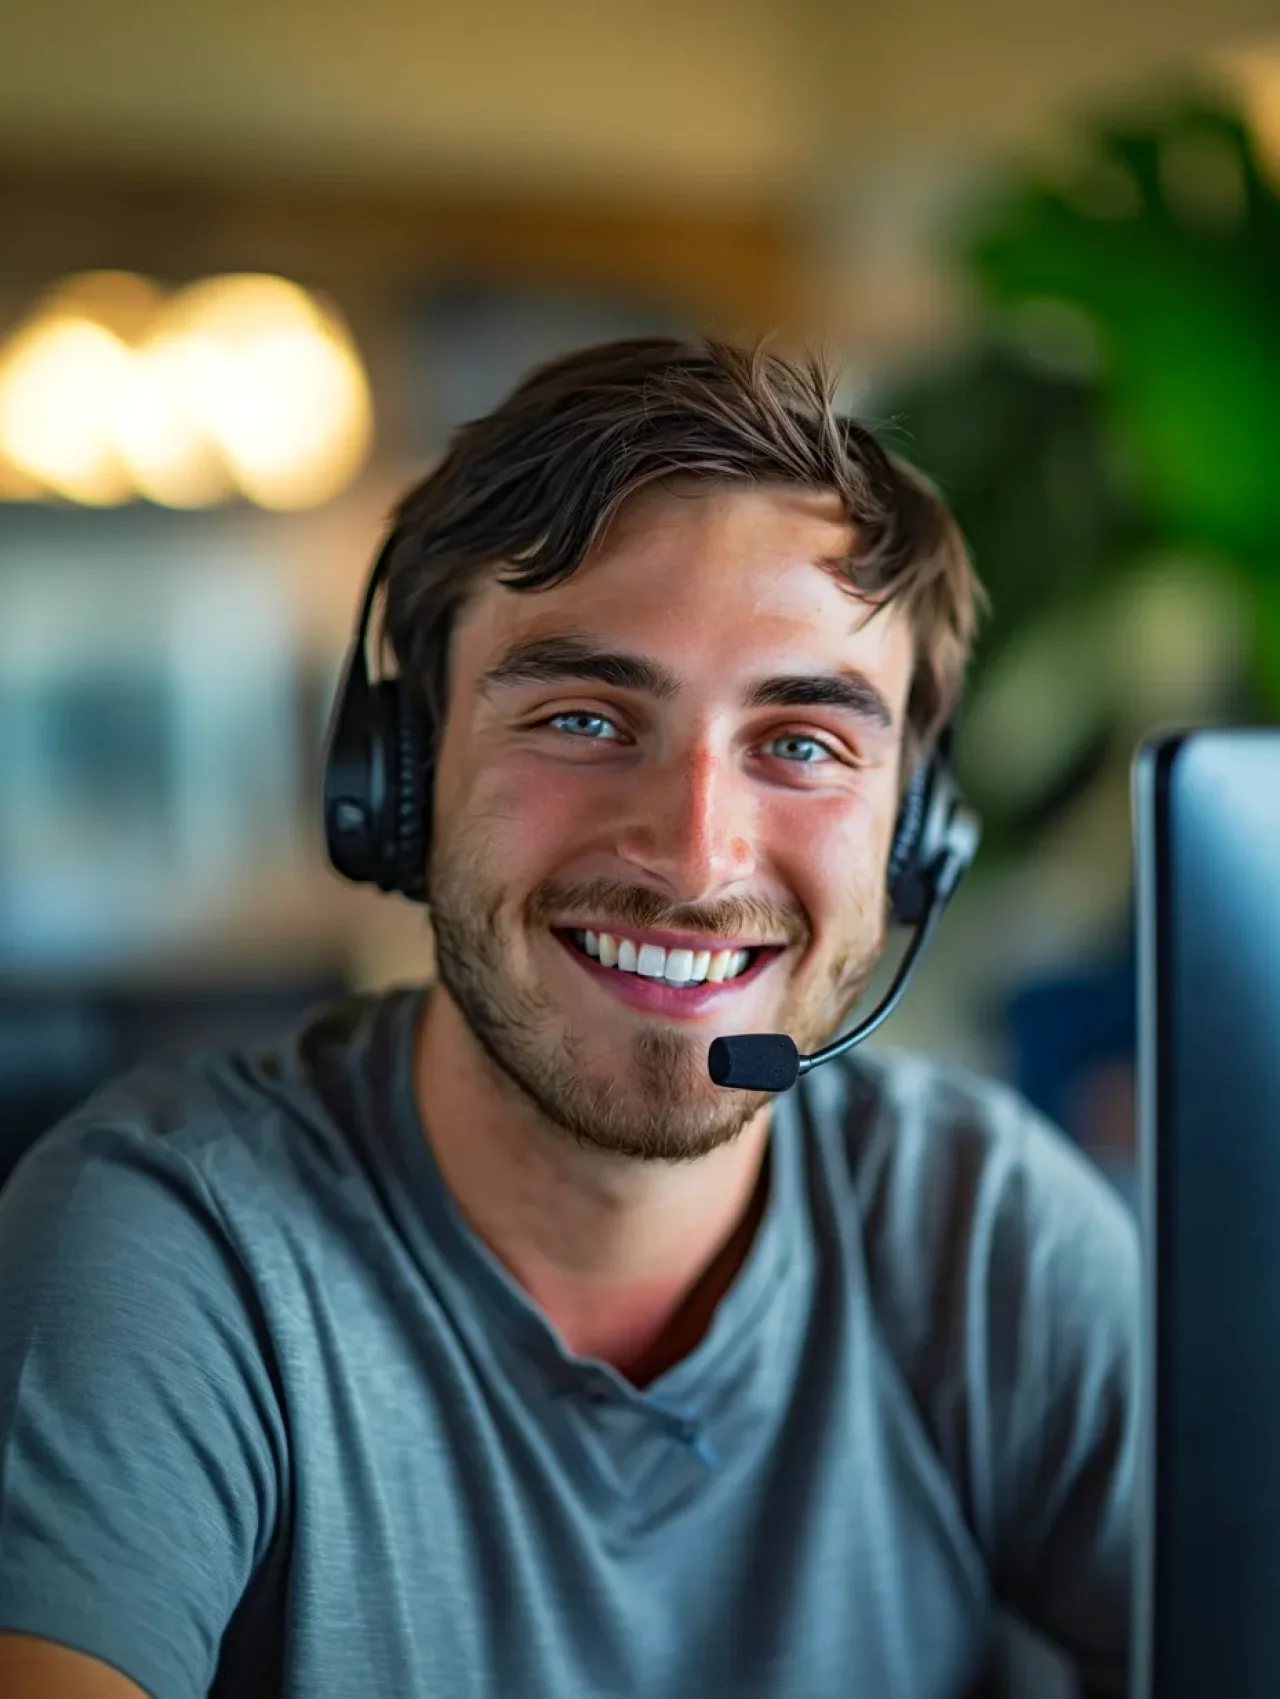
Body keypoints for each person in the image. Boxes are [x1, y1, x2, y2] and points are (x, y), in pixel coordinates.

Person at [0, 337, 1137, 1699]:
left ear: (915, 844)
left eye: (802, 743)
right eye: (587, 719)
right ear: (401, 781)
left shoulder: (987, 1232)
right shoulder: (172, 1248)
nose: (698, 855)